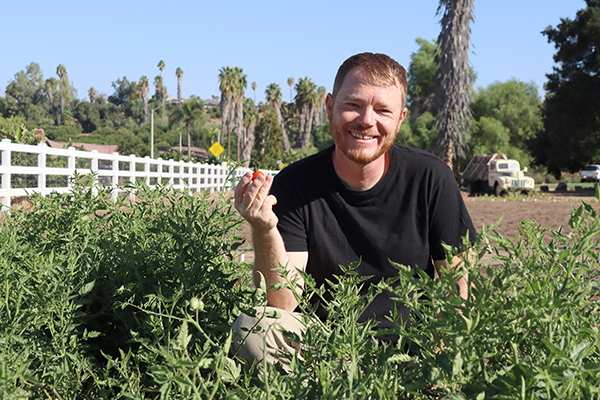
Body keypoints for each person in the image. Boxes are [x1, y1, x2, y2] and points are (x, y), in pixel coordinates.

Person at [232, 52, 477, 369]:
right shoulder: (293, 183)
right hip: (324, 352)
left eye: (383, 110)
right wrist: (264, 229)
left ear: (400, 119)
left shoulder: (431, 178)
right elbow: (285, 303)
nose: (366, 120)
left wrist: (440, 364)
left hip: (412, 351)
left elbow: (457, 285)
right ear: (330, 106)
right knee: (254, 330)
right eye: (353, 105)